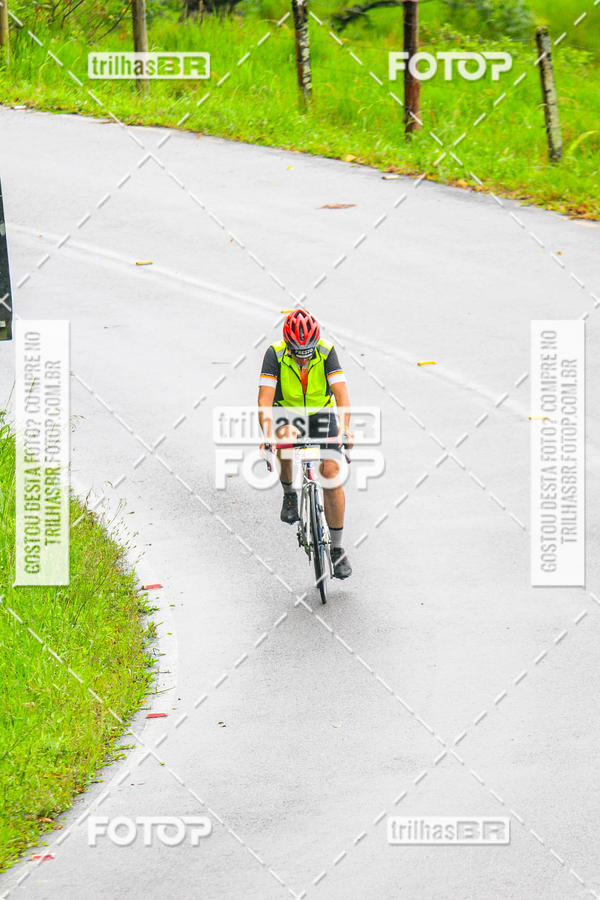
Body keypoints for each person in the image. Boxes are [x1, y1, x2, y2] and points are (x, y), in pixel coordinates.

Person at [258, 308, 353, 579]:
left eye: (307, 353)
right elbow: (264, 401)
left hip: (321, 415)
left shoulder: (325, 352)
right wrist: (266, 436)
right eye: (298, 354)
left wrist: (345, 430)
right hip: (287, 413)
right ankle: (290, 493)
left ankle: (337, 550)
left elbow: (341, 394)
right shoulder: (274, 355)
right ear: (288, 346)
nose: (303, 359)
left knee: (331, 475)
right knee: (285, 440)